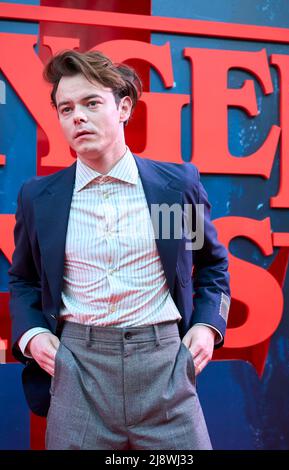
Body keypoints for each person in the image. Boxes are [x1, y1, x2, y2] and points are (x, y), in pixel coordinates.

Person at [9, 50, 230, 450]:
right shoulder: (40, 197)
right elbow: (23, 278)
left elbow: (211, 265)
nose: (77, 116)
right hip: (77, 372)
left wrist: (207, 324)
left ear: (123, 106)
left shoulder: (171, 190)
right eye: (66, 108)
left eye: (91, 103)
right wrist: (33, 335)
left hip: (165, 372)